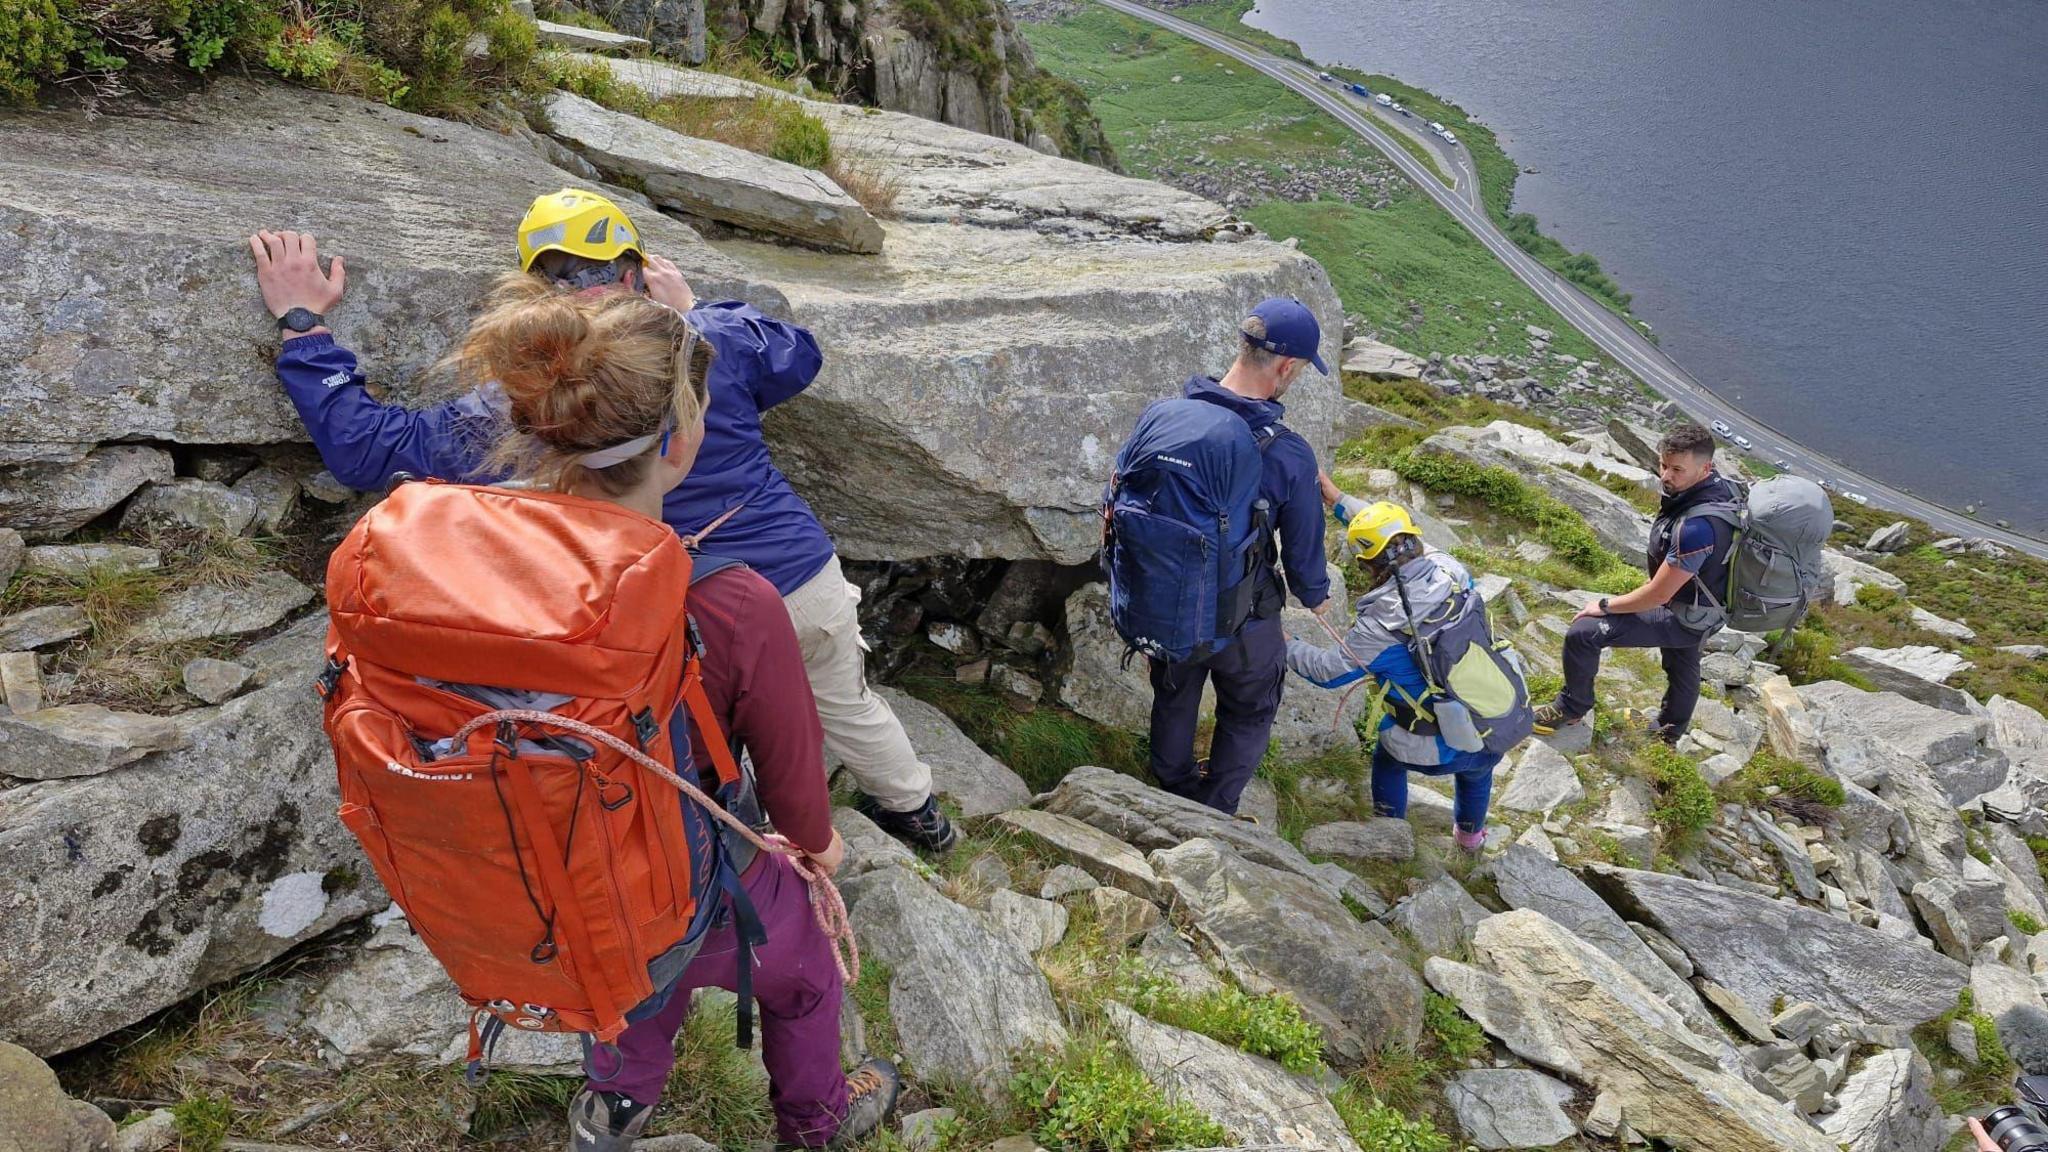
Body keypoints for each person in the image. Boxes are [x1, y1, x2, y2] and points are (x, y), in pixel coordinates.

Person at [275, 249, 902, 1150]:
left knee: (627, 963)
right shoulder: (729, 596)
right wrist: (816, 845)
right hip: (678, 873)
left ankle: (611, 1112)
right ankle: (818, 1119)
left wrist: (304, 331)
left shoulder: (459, 556)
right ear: (682, 440)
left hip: (539, 866)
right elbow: (797, 791)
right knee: (798, 966)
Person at [248, 192, 956, 854]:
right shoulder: (710, 342)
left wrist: (305, 327)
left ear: (536, 292)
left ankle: (731, 850)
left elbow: (372, 448)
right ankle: (917, 815)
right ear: (635, 269)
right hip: (797, 579)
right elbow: (800, 355)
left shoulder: (524, 403)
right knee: (846, 705)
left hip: (664, 612)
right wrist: (696, 310)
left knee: (698, 738)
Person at [1145, 298, 1333, 817]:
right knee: (1250, 710)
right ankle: (1217, 806)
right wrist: (1317, 596)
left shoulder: (1166, 416)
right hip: (1241, 618)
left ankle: (1171, 787)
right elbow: (1302, 561)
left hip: (1168, 601)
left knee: (1174, 694)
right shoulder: (1288, 453)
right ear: (1287, 367)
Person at [1285, 491, 1502, 852]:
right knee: (1478, 768)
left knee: (1387, 757)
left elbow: (1327, 672)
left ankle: (1390, 835)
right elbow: (1395, 539)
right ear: (1416, 540)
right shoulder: (1451, 571)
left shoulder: (1379, 626)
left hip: (1436, 747)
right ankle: (1469, 841)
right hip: (1495, 717)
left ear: (1366, 564)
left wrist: (1284, 642)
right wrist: (1338, 498)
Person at [1533, 423, 1736, 743]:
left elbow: (1657, 594)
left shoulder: (1698, 526)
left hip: (1685, 613)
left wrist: (1602, 605)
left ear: (1705, 467)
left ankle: (1571, 707)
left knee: (1584, 633)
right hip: (1705, 608)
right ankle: (1667, 734)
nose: (1666, 476)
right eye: (1663, 465)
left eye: (1677, 469)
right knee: (1681, 660)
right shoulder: (1718, 490)